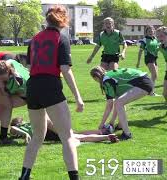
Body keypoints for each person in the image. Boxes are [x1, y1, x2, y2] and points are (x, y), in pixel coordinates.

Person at [19, 5, 84, 180]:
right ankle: (74, 177)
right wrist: (78, 97)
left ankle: (24, 175)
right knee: (67, 136)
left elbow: (30, 67)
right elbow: (65, 69)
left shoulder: (34, 39)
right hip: (50, 85)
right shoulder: (61, 38)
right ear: (63, 20)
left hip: (32, 87)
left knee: (38, 136)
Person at [90, 66, 154, 140]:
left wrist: (102, 124)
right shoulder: (109, 75)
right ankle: (120, 125)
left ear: (95, 77)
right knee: (119, 101)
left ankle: (127, 134)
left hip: (142, 83)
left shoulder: (107, 80)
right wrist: (111, 122)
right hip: (145, 81)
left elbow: (109, 106)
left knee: (119, 103)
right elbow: (116, 99)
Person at [10, 118, 119, 144]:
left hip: (47, 131)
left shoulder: (20, 127)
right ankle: (101, 132)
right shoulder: (28, 123)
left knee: (76, 137)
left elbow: (13, 129)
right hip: (49, 123)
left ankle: (106, 137)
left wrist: (24, 134)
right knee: (76, 133)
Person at [136, 25, 160, 95]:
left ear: (154, 31)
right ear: (146, 32)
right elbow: (140, 51)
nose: (151, 32)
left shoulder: (156, 39)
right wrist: (138, 62)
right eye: (149, 31)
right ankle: (151, 92)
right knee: (154, 74)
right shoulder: (144, 40)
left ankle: (148, 88)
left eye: (152, 31)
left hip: (155, 59)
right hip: (149, 58)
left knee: (155, 76)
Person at [157, 26, 167, 102]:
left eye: (161, 36)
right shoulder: (160, 47)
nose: (160, 38)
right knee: (164, 94)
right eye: (158, 36)